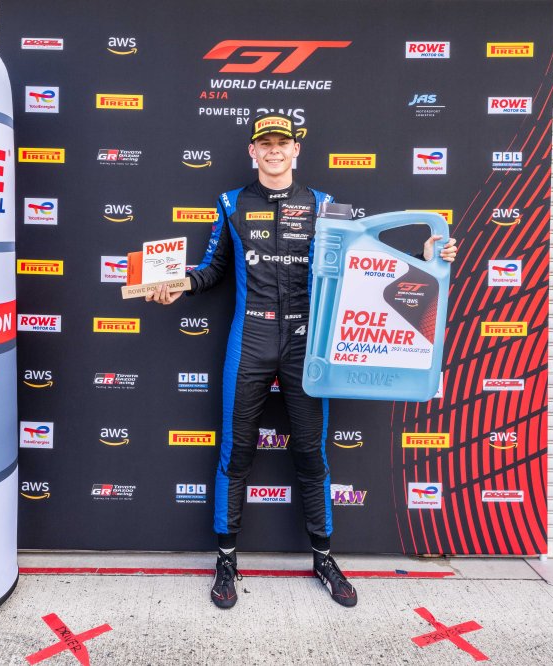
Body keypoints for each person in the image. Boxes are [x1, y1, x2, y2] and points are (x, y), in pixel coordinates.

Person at [147, 113, 458, 609]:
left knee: (311, 455)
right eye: (265, 143)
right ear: (252, 151)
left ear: (296, 150)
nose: (274, 150)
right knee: (236, 452)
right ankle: (226, 560)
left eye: (283, 142)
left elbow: (366, 267)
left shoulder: (326, 206)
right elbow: (212, 270)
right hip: (250, 337)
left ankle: (324, 558)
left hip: (305, 343)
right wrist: (176, 286)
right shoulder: (231, 203)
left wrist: (426, 259)